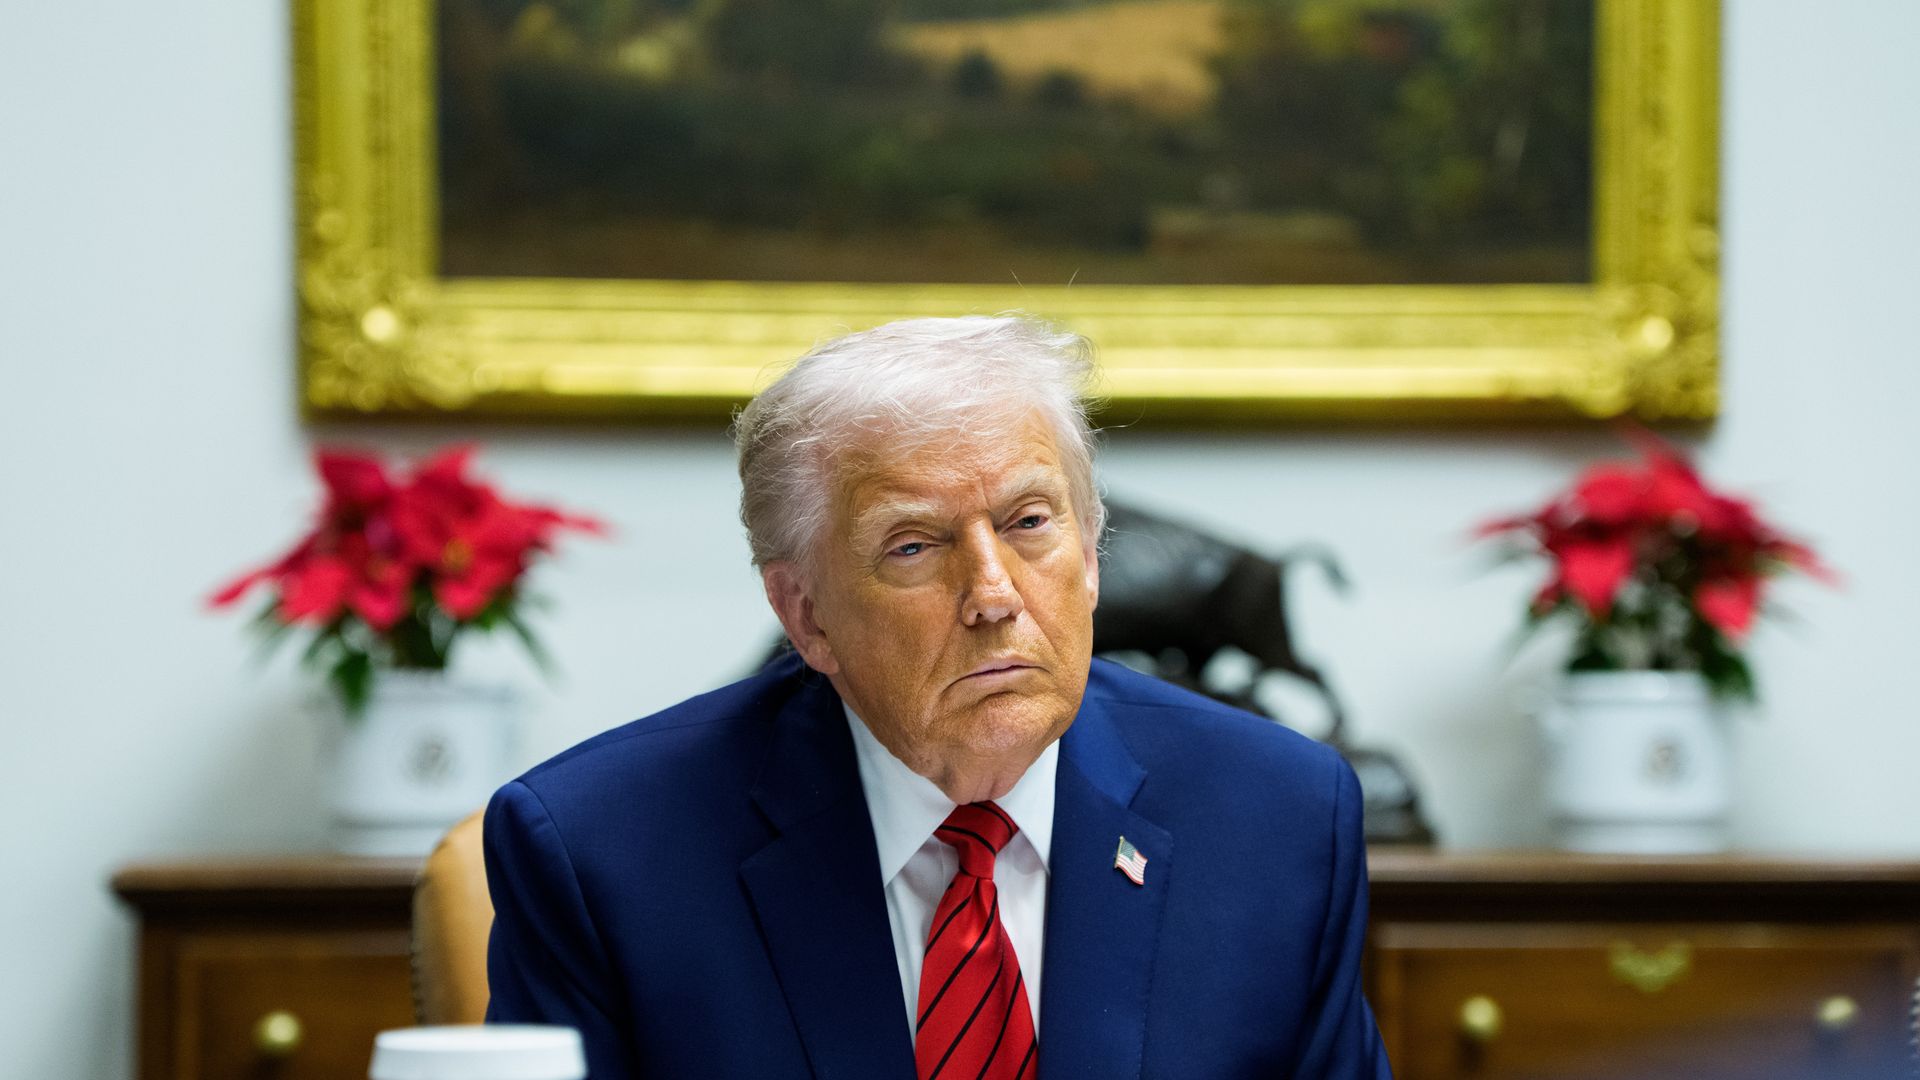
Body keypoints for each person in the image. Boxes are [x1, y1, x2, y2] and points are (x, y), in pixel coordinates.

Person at [483, 314, 1393, 1078]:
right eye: (913, 546)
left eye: (1029, 522)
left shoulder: (1280, 820)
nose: (994, 595)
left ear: (1089, 557)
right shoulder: (602, 855)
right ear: (806, 616)